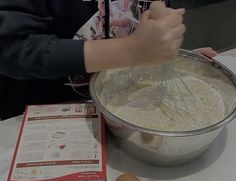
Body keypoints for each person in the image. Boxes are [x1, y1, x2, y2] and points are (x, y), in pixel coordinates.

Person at [0, 0, 213, 120]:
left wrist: (163, 52)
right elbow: (13, 50)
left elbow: (145, 23)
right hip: (50, 114)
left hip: (128, 106)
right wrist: (131, 50)